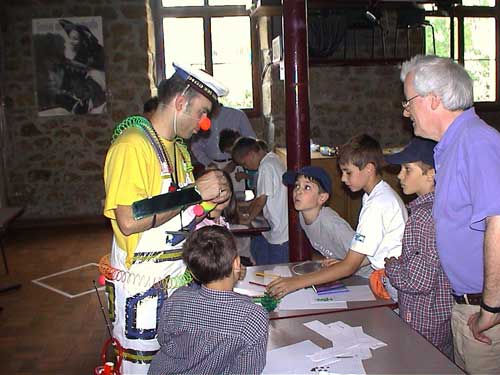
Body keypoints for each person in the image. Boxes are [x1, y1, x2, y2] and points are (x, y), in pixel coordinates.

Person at [103, 62, 231, 374]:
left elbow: (182, 210)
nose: (204, 124)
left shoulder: (177, 149)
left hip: (175, 286)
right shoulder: (132, 145)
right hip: (142, 294)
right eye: (201, 112)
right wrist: (194, 192)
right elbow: (129, 219)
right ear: (179, 102)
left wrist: (212, 204)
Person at [400, 55, 500, 373]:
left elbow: (498, 221)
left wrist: (492, 305)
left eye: (408, 101)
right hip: (466, 305)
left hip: (484, 310)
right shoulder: (450, 147)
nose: (405, 111)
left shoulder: (476, 142)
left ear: (433, 100)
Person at [267, 134, 407, 299]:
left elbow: (350, 266)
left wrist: (295, 283)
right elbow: (367, 251)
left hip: (390, 281)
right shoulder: (372, 197)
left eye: (348, 172)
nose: (342, 178)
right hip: (382, 277)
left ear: (369, 169)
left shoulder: (378, 204)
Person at [148, 225, 269, 375]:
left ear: (193, 273)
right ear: (237, 263)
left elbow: (163, 340)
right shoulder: (253, 316)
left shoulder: (176, 299)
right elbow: (248, 370)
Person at [384, 137, 453, 358]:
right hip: (441, 316)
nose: (399, 176)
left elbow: (418, 281)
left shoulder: (422, 217)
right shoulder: (444, 206)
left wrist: (392, 266)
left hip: (423, 316)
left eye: (407, 169)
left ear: (431, 173)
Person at [282, 166, 372, 278]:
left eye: (307, 187)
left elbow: (369, 254)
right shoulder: (302, 215)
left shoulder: (331, 224)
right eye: (297, 186)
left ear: (322, 198)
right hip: (349, 275)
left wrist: (343, 265)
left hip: (368, 276)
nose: (298, 191)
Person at [231, 137, 289, 265]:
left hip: (281, 233)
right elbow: (259, 198)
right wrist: (247, 212)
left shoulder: (266, 166)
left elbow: (261, 199)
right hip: (279, 227)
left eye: (244, 164)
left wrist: (247, 219)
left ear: (251, 154)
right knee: (259, 248)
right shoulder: (273, 158)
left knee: (276, 272)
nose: (246, 167)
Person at [190, 105, 256, 169]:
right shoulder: (200, 119)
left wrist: (234, 162)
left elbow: (251, 141)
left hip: (236, 166)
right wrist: (208, 163)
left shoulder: (237, 115)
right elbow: (196, 146)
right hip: (211, 166)